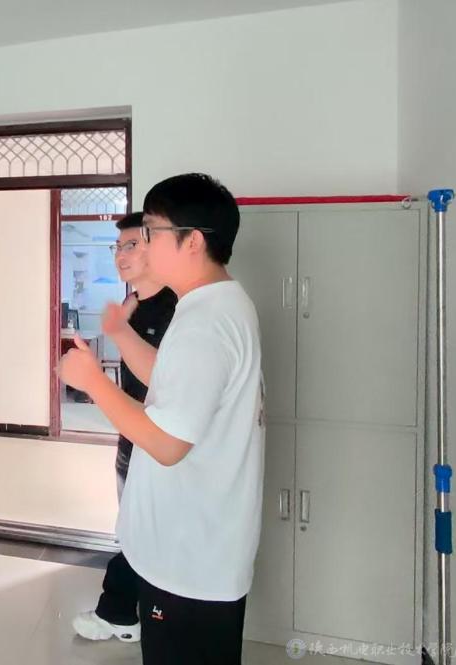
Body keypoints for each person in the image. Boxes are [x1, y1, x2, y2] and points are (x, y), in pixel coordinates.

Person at [58, 173, 265, 665]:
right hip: (198, 552)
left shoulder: (204, 324)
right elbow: (171, 381)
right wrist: (120, 333)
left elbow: (169, 444)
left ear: (193, 241)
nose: (143, 244)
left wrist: (93, 382)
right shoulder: (217, 303)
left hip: (187, 563)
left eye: (151, 231)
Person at [72, 212, 177, 643]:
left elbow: (168, 383)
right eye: (117, 247)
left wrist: (93, 378)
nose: (121, 255)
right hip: (130, 441)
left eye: (132, 245)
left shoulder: (176, 308)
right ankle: (131, 613)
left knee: (144, 533)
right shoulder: (131, 305)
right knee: (133, 530)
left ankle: (119, 612)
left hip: (159, 446)